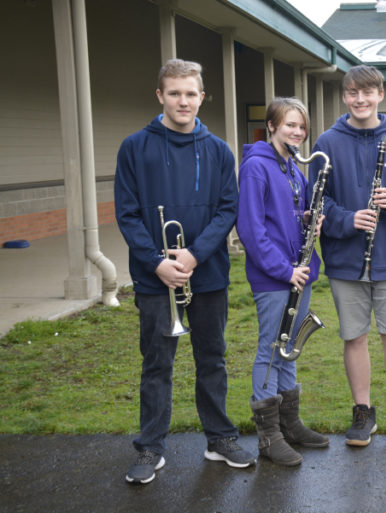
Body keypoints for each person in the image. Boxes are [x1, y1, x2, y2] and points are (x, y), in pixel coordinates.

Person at [115, 59, 254, 484]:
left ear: (202, 97)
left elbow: (227, 208)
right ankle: (151, 448)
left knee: (212, 359)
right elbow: (128, 213)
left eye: (190, 93)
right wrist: (158, 263)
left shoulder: (218, 150)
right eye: (174, 93)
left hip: (207, 273)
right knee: (157, 363)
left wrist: (193, 255)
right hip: (154, 278)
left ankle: (219, 439)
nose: (183, 101)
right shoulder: (134, 147)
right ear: (160, 96)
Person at [308, 64, 386, 451]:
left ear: (381, 94)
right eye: (353, 93)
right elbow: (317, 198)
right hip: (346, 259)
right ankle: (362, 411)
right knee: (355, 338)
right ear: (345, 97)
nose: (360, 100)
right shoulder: (327, 142)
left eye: (368, 92)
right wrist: (347, 219)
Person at [237, 97, 329, 466]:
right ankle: (269, 436)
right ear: (271, 126)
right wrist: (284, 270)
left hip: (298, 271)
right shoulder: (257, 166)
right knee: (271, 349)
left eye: (301, 127)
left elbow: (289, 214)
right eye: (289, 125)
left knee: (290, 347)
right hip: (276, 275)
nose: (297, 132)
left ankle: (290, 425)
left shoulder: (293, 167)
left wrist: (309, 218)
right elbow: (251, 228)